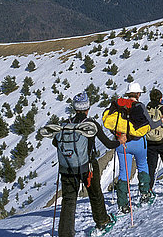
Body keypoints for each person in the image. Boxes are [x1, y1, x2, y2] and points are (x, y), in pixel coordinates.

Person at [42, 92, 124, 236]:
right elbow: (109, 144)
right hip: (88, 167)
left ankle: (65, 233)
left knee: (68, 200)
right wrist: (120, 141)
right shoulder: (90, 124)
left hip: (67, 168)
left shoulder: (66, 125)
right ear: (88, 107)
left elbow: (56, 142)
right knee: (95, 194)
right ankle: (102, 221)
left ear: (74, 108)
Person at [102, 82, 163, 213]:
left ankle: (123, 203)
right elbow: (151, 125)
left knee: (123, 172)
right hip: (138, 142)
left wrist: (119, 135)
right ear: (138, 94)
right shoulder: (140, 106)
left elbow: (111, 124)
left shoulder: (118, 105)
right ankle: (144, 194)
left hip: (122, 143)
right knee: (143, 166)